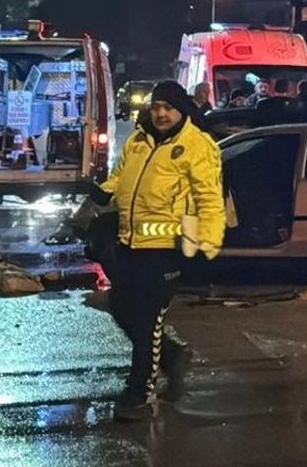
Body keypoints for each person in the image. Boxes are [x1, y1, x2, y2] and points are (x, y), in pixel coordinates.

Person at [88, 81, 225, 421]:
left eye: (169, 107)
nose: (161, 113)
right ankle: (171, 356)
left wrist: (206, 244)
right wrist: (104, 191)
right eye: (156, 106)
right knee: (121, 308)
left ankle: (140, 394)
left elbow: (209, 197)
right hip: (130, 243)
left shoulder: (197, 145)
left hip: (166, 249)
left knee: (148, 321)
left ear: (181, 111)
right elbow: (121, 176)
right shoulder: (138, 139)